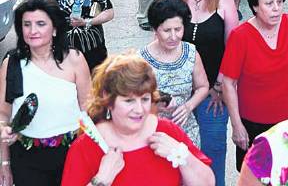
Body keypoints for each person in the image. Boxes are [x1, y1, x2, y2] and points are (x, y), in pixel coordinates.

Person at [60, 53, 214, 186]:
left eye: (145, 99)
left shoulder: (166, 131)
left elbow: (208, 183)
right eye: (129, 101)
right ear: (108, 98)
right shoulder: (87, 146)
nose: (140, 110)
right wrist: (101, 179)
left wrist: (182, 156)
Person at [219, 0, 288, 171]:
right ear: (254, 6)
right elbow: (228, 83)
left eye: (280, 2)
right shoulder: (240, 36)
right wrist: (236, 125)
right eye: (269, 3)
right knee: (255, 177)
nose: (276, 8)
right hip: (254, 124)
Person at [0, 0, 91, 185]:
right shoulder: (12, 64)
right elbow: (3, 114)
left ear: (55, 28)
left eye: (41, 24)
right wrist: (5, 163)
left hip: (70, 155)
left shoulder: (74, 59)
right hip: (26, 159)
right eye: (27, 24)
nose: (33, 31)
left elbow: (89, 110)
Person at [169, 0, 238, 186]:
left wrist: (220, 84)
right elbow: (162, 41)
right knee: (178, 151)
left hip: (213, 92)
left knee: (214, 148)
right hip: (179, 91)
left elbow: (233, 45)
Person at [140, 0, 209, 148]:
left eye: (178, 29)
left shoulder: (191, 52)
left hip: (186, 132)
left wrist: (188, 106)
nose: (173, 36)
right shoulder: (141, 60)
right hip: (153, 134)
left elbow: (203, 87)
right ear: (154, 29)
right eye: (166, 30)